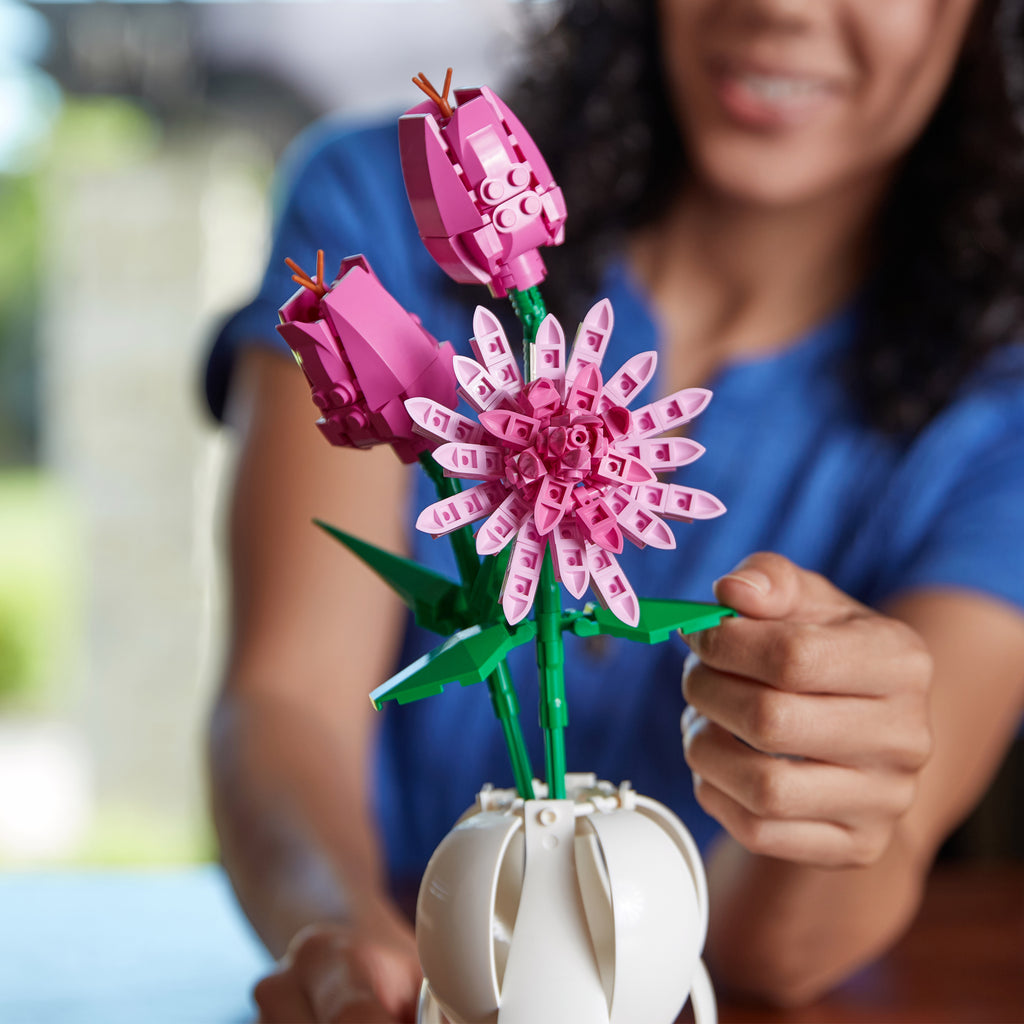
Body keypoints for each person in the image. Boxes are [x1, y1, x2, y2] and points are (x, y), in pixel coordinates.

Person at [205, 1, 1024, 1020]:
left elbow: (771, 951)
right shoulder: (388, 209)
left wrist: (839, 800)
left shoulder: (1000, 418)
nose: (780, 7)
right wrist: (350, 940)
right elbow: (284, 700)